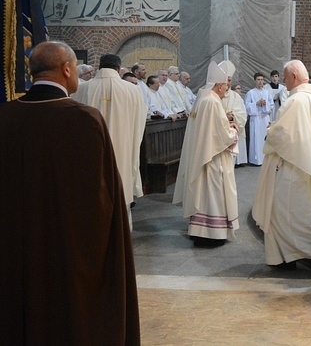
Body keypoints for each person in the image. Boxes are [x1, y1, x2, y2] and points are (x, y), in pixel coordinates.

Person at [0, 41, 140, 344]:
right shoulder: (83, 119)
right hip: (69, 254)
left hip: (15, 252)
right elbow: (103, 202)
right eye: (76, 68)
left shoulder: (5, 117)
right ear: (66, 69)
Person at [252, 60, 311, 269]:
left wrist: (271, 130)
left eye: (285, 76)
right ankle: (288, 255)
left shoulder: (295, 101)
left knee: (282, 212)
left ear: (294, 77)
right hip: (305, 163)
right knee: (303, 211)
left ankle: (288, 256)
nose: (284, 81)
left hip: (293, 167)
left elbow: (283, 135)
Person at [72, 53, 148, 227]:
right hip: (122, 152)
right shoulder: (132, 90)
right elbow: (139, 124)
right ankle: (121, 234)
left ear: (99, 66)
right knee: (120, 191)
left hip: (91, 154)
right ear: (119, 69)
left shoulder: (82, 89)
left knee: (92, 195)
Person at [172, 61, 240, 246]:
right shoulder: (212, 101)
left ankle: (199, 230)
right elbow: (222, 136)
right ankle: (211, 234)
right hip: (212, 157)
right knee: (213, 195)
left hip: (202, 154)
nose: (226, 89)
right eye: (225, 85)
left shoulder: (203, 97)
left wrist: (224, 122)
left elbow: (209, 126)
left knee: (203, 195)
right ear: (218, 86)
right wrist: (233, 130)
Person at [217, 60, 248, 167]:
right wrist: (224, 116)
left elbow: (243, 114)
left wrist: (233, 116)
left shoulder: (236, 97)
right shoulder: (213, 97)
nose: (228, 83)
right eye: (226, 80)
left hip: (231, 132)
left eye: (230, 80)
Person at [245, 72, 274, 165]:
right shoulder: (250, 93)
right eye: (258, 80)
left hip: (264, 118)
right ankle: (256, 160)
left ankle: (266, 159)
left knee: (264, 138)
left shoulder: (267, 93)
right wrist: (256, 104)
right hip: (255, 118)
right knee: (256, 138)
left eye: (262, 80)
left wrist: (266, 104)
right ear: (255, 81)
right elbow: (246, 106)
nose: (260, 82)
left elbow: (272, 105)